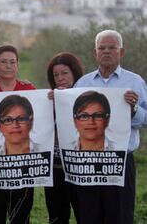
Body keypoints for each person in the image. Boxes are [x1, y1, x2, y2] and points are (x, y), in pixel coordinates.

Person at [74, 29, 147, 224]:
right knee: (89, 215)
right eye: (102, 48)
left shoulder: (135, 81)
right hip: (88, 161)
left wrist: (133, 110)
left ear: (121, 52)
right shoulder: (83, 83)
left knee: (120, 216)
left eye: (112, 47)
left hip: (121, 161)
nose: (106, 51)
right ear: (95, 53)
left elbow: (146, 119)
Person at [0, 44, 36, 224]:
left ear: (18, 65)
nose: (8, 66)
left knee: (21, 213)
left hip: (24, 163)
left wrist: (49, 100)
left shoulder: (30, 90)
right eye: (3, 62)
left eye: (12, 62)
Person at [44, 52, 83, 224]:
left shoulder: (87, 96)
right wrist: (50, 104)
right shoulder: (47, 99)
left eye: (65, 73)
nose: (60, 78)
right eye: (55, 74)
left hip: (81, 167)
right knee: (57, 216)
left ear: (75, 72)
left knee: (85, 214)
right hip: (56, 168)